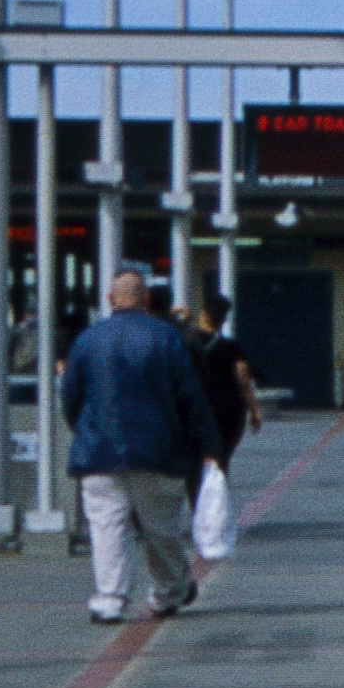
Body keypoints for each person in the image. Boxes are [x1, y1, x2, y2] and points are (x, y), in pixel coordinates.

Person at [62, 266, 218, 623]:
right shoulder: (167, 338)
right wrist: (208, 445)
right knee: (160, 527)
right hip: (159, 450)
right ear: (146, 299)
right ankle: (170, 588)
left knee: (106, 525)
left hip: (99, 451)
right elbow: (190, 397)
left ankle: (110, 598)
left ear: (109, 299)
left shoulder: (88, 340)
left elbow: (70, 396)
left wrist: (85, 429)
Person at [184, 293, 264, 562]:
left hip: (197, 411)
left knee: (195, 464)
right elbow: (243, 378)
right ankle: (215, 515)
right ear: (223, 319)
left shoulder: (187, 340)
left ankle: (199, 512)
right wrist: (254, 409)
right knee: (220, 463)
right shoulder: (231, 347)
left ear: (204, 312)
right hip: (229, 412)